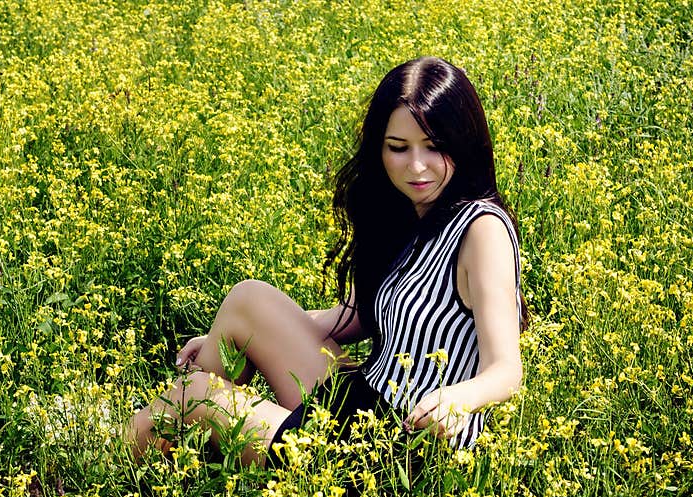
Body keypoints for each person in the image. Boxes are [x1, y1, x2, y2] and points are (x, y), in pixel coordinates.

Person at [127, 56, 528, 469]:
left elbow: (505, 369)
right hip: (364, 404)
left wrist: (456, 399)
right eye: (398, 148)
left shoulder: (482, 229)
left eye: (434, 147)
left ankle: (111, 459)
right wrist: (227, 341)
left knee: (193, 393)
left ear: (463, 142)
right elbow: (357, 316)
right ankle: (183, 461)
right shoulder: (412, 213)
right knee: (248, 301)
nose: (417, 166)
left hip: (396, 451)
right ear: (379, 147)